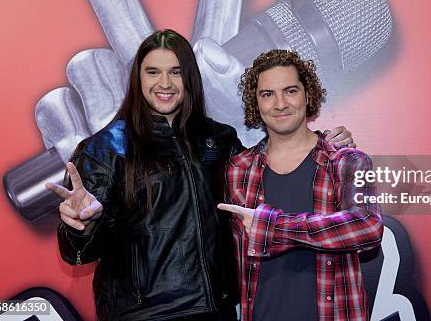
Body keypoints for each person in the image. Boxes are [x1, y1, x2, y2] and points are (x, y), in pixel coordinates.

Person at [45, 30, 354, 320]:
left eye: (175, 72)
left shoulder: (219, 140)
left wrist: (322, 144)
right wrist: (81, 226)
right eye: (153, 72)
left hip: (217, 310)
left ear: (190, 78)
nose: (164, 83)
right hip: (145, 316)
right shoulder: (103, 150)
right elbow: (76, 253)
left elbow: (270, 166)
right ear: (138, 79)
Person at [219, 49, 383, 321]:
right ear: (255, 103)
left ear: (308, 96)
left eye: (290, 91)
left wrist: (271, 226)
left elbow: (368, 227)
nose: (280, 103)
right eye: (267, 94)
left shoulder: (346, 162)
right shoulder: (238, 170)